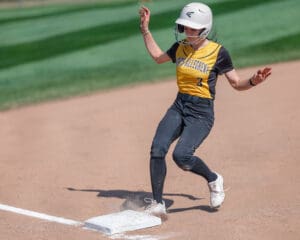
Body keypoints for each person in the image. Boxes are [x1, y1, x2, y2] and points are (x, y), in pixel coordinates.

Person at [139, 2, 271, 218]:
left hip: (201, 113)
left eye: (192, 28)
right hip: (179, 105)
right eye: (185, 27)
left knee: (181, 156)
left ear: (204, 29)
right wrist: (145, 29)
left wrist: (254, 81)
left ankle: (213, 179)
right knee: (157, 148)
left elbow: (237, 84)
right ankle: (158, 204)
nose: (187, 32)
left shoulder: (218, 53)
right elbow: (157, 57)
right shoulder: (180, 47)